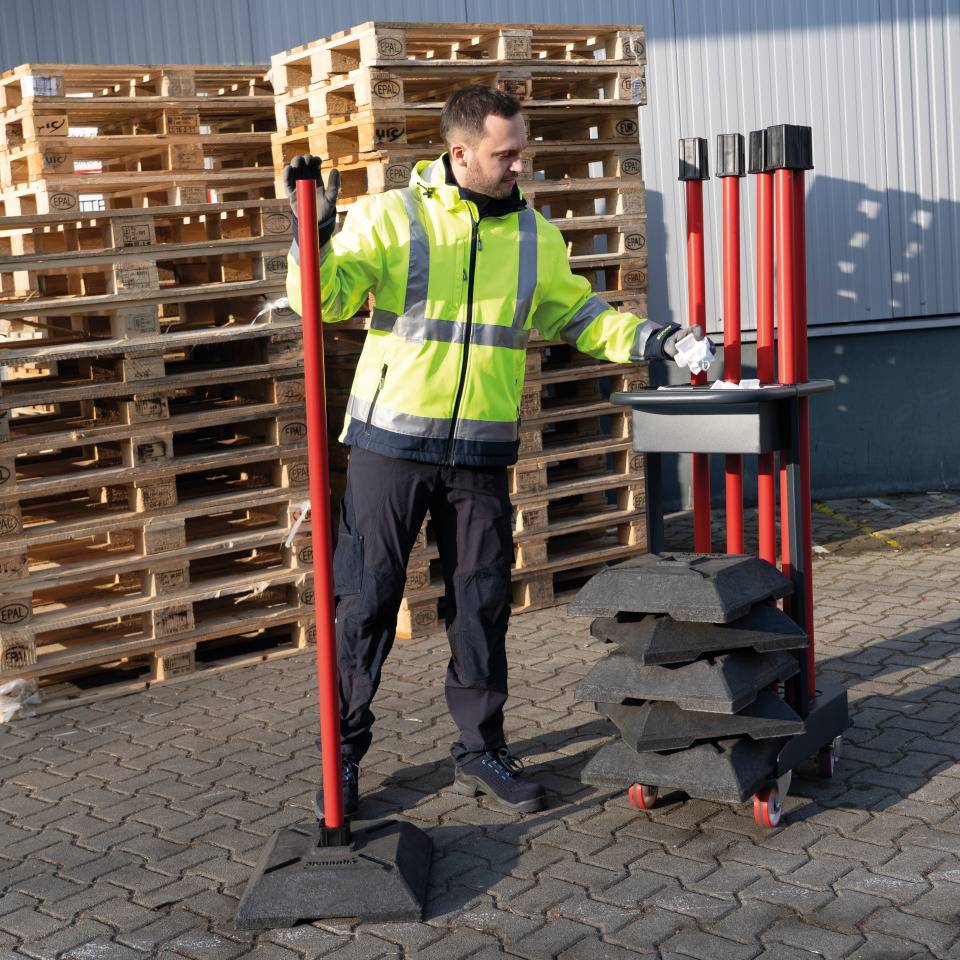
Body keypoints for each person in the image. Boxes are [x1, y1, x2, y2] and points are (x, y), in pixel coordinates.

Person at [284, 84, 700, 817]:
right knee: (367, 604)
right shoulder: (397, 216)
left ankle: (481, 749)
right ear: (461, 152)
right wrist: (310, 237)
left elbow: (578, 316)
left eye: (521, 150)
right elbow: (324, 300)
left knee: (481, 607)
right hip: (390, 447)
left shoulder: (535, 236)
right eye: (506, 154)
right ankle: (341, 757)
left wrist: (652, 339)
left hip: (478, 454)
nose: (519, 164)